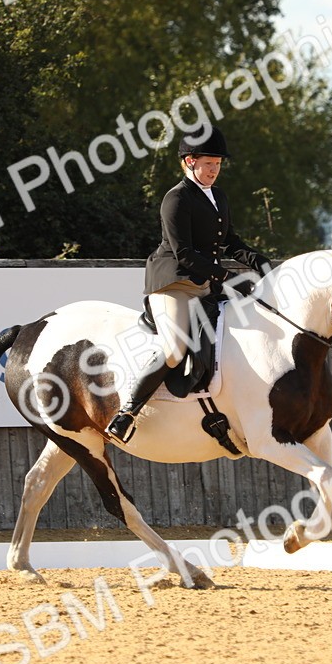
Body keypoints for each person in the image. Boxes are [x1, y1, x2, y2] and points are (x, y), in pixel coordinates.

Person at [105, 124, 271, 443]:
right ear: (189, 162)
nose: (214, 170)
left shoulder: (218, 196)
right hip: (174, 283)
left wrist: (258, 261)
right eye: (208, 163)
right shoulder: (176, 199)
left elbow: (231, 241)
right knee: (174, 348)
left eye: (218, 164)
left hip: (206, 281)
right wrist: (226, 277)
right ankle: (126, 413)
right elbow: (184, 254)